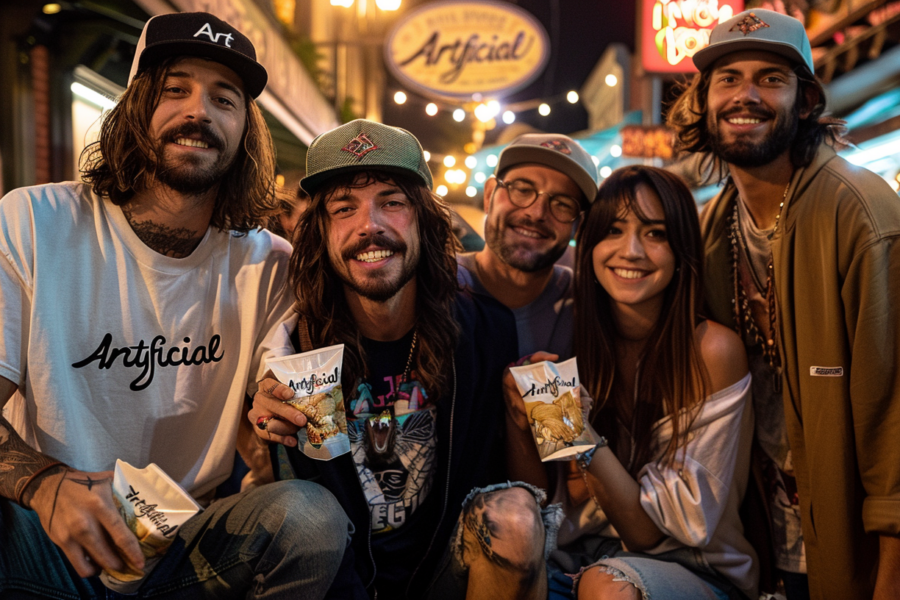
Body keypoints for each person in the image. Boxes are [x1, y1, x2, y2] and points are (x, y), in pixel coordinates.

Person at [0, 12, 348, 599]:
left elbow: (281, 393)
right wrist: (45, 485)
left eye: (224, 99)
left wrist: (275, 411)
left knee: (310, 517)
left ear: (245, 130)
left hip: (182, 549)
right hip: (48, 539)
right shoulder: (34, 221)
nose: (198, 112)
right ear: (136, 107)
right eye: (175, 89)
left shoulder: (267, 263)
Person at [249, 119, 555, 600]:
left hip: (448, 573)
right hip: (341, 577)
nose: (369, 226)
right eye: (344, 208)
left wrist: (531, 419)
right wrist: (264, 435)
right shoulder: (295, 350)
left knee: (514, 516)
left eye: (392, 202)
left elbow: (527, 494)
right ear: (321, 232)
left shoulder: (484, 329)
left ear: (424, 220)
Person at [667, 8, 900, 600]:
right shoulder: (713, 226)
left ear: (805, 101)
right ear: (703, 100)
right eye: (728, 78)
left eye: (771, 78)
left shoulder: (861, 213)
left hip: (857, 547)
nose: (745, 95)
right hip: (767, 539)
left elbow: (893, 421)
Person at [505, 166, 757, 600]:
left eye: (656, 233)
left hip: (694, 569)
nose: (632, 251)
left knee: (607, 587)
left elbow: (646, 535)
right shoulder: (573, 336)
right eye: (614, 230)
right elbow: (540, 502)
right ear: (590, 244)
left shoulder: (712, 351)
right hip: (576, 559)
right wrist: (519, 419)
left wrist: (576, 432)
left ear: (682, 249)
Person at [457, 133, 599, 359]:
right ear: (489, 195)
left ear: (578, 226)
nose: (536, 212)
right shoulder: (430, 287)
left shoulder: (589, 307)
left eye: (562, 204)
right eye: (522, 190)